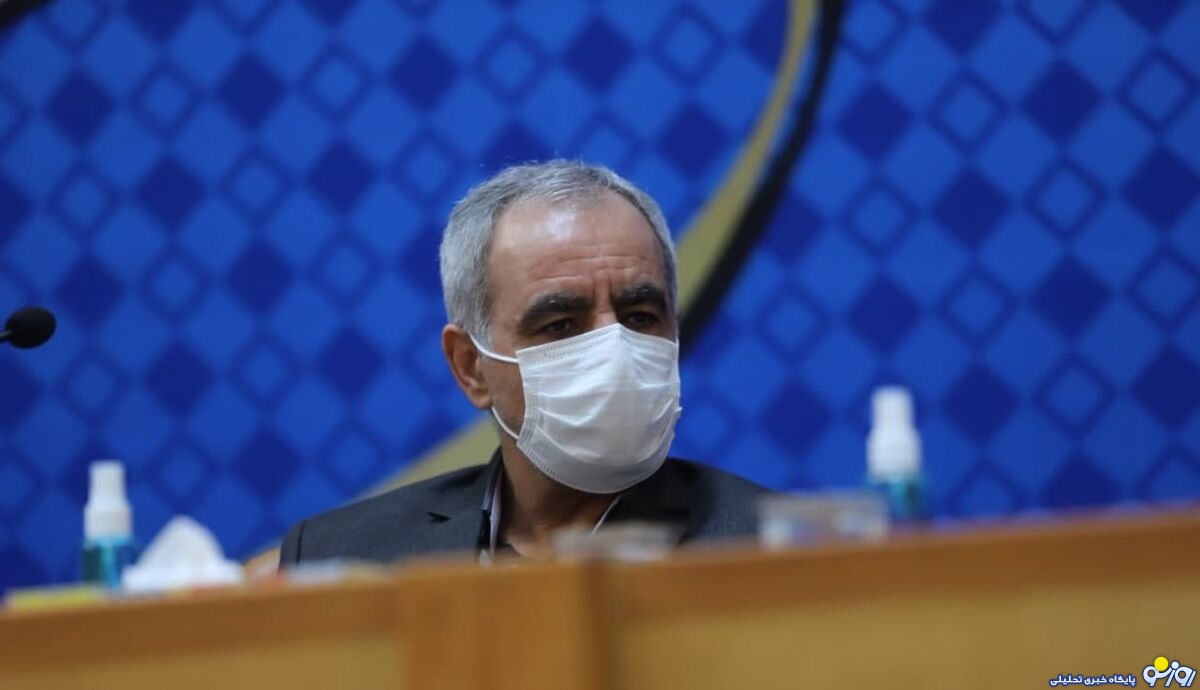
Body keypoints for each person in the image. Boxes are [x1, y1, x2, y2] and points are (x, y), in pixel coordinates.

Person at [280, 160, 766, 566]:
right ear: (471, 367)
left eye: (639, 316)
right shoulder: (340, 559)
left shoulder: (778, 553)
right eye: (561, 324)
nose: (613, 350)